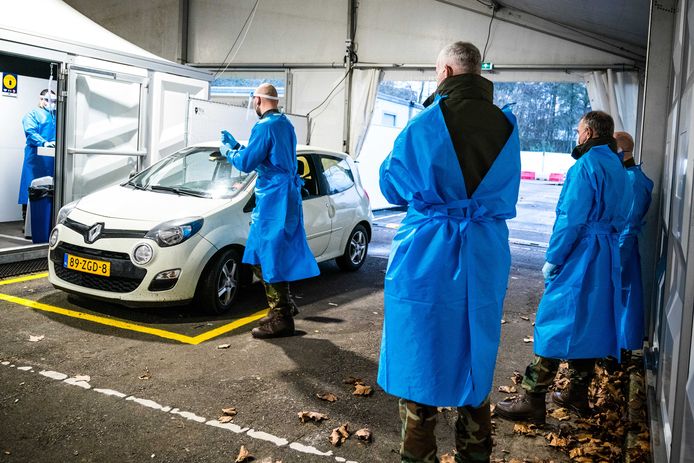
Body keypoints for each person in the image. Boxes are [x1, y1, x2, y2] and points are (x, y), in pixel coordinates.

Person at [377, 41, 519, 463]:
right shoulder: (507, 126)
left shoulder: (424, 125)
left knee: (421, 354)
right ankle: (475, 451)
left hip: (429, 255)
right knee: (472, 350)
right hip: (484, 253)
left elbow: (391, 184)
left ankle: (417, 452)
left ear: (446, 73)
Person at [495, 111, 629, 422]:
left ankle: (533, 397)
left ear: (589, 133)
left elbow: (570, 218)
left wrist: (554, 258)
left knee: (555, 322)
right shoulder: (618, 166)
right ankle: (577, 395)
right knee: (589, 324)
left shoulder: (585, 167)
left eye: (579, 130)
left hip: (582, 254)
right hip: (607, 254)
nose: (576, 135)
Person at [220, 83, 319, 339]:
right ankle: (282, 305)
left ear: (257, 100)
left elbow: (246, 163)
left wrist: (229, 151)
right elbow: (265, 156)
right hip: (286, 197)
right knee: (265, 254)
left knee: (266, 255)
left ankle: (282, 316)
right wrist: (240, 147)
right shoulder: (285, 124)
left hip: (274, 200)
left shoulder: (264, 126)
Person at [614, 131, 653, 352]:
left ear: (620, 151)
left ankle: (618, 354)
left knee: (623, 301)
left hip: (623, 251)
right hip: (621, 247)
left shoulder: (634, 181)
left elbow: (628, 225)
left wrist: (616, 261)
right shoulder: (629, 177)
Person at [19, 89, 56, 221]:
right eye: (48, 100)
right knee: (31, 186)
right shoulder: (32, 114)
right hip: (35, 158)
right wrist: (43, 142)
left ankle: (47, 220)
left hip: (52, 158)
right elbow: (30, 131)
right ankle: (27, 220)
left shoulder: (56, 116)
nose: (51, 103)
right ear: (41, 99)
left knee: (49, 188)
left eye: (54, 101)